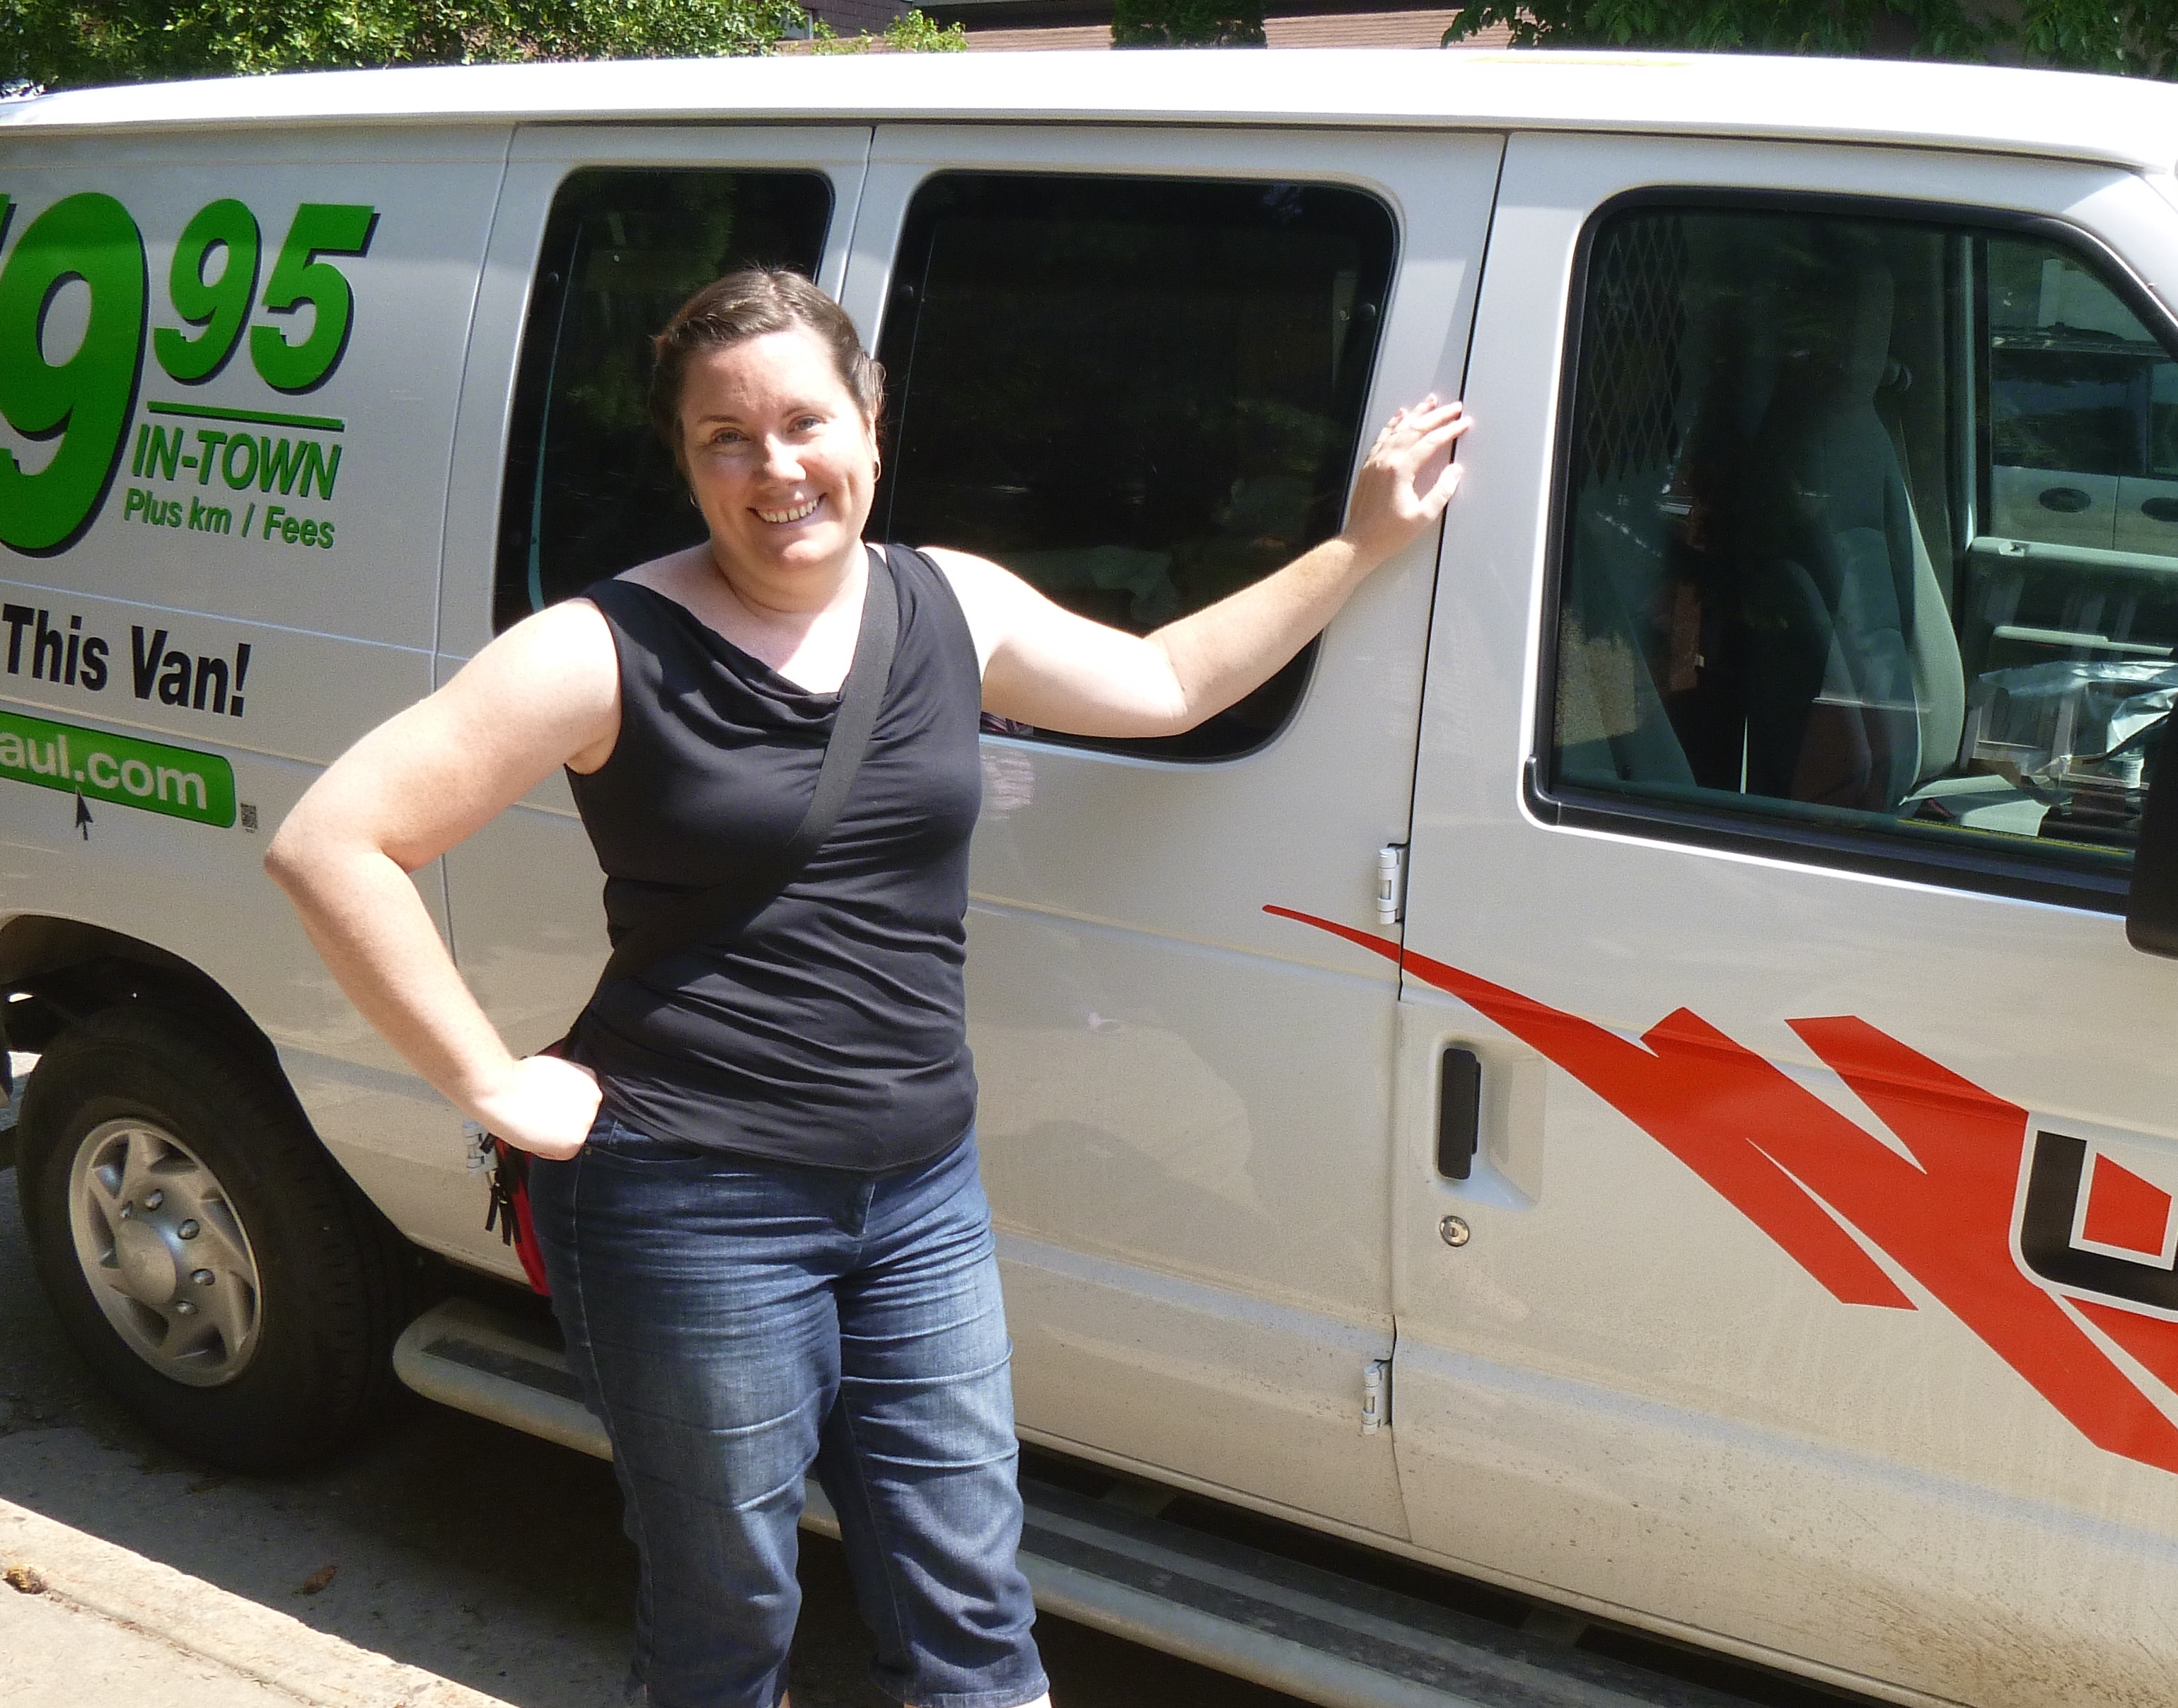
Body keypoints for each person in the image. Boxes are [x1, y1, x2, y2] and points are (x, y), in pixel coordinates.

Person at [264, 268, 1468, 1708]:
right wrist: (490, 1082)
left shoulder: (949, 599)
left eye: (803, 422)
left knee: (973, 1607)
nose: (774, 467)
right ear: (686, 461)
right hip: (691, 1201)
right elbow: (333, 841)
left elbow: (1163, 684)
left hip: (921, 1198)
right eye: (725, 437)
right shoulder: (603, 648)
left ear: (870, 423)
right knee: (728, 1611)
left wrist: (1358, 544)